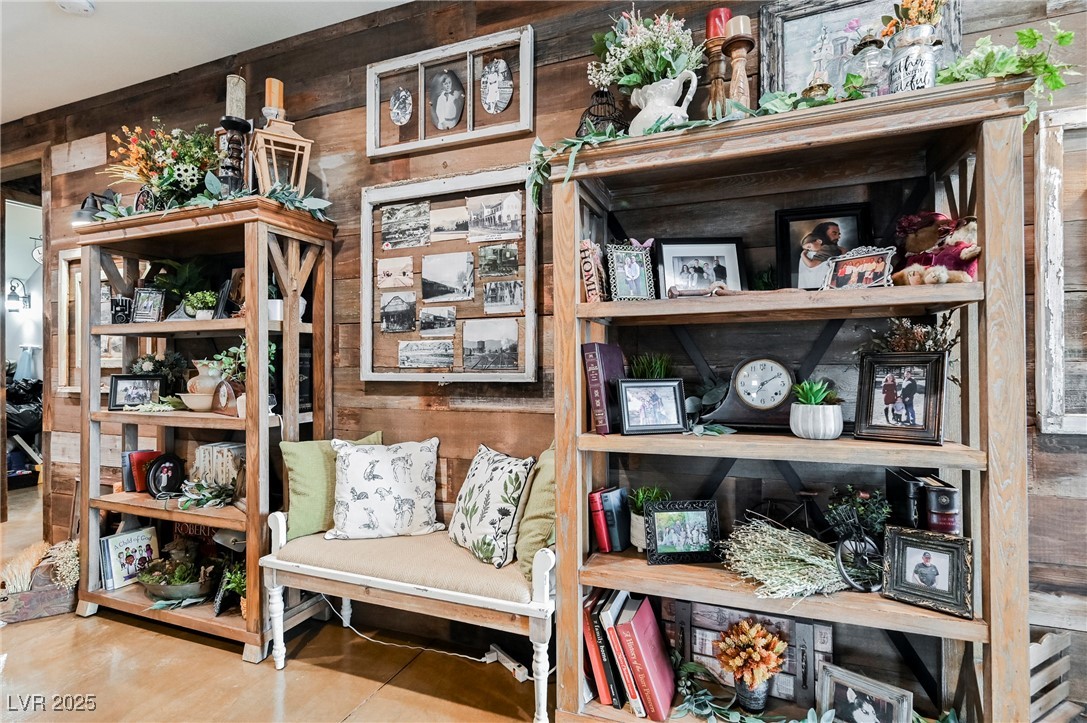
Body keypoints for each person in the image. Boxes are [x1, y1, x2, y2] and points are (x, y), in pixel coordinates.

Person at [797, 221, 845, 288]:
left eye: (838, 234)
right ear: (823, 234)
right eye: (834, 233)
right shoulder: (813, 254)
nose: (838, 237)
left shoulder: (830, 249)